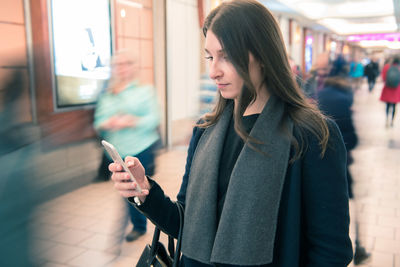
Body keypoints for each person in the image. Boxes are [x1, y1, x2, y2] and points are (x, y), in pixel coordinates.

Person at [110, 1, 353, 266]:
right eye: (210, 57)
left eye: (226, 56)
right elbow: (185, 223)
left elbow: (331, 252)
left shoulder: (311, 136)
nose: (214, 71)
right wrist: (145, 191)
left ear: (263, 54)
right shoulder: (207, 131)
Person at [93, 50, 161, 241]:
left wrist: (132, 121)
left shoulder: (144, 91)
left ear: (133, 67)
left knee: (136, 189)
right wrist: (109, 122)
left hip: (141, 149)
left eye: (125, 63)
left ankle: (140, 225)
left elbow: (154, 118)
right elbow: (98, 122)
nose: (121, 68)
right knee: (127, 192)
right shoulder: (108, 95)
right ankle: (138, 224)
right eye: (117, 65)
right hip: (117, 152)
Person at [317, 56, 370, 265]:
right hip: (340, 162)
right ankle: (358, 245)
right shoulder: (344, 98)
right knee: (344, 203)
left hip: (317, 158)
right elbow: (353, 139)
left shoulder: (318, 94)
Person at [379, 56, 400, 127]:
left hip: (387, 88)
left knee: (387, 105)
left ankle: (387, 119)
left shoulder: (386, 67)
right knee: (394, 106)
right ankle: (392, 121)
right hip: (396, 90)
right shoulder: (399, 68)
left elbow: (383, 77)